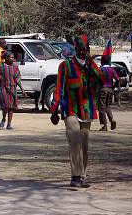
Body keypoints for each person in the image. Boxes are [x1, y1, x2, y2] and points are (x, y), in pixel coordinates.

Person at [50, 36, 104, 188]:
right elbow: (59, 88)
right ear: (75, 49)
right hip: (70, 109)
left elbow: (101, 79)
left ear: (88, 50)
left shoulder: (91, 66)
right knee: (75, 141)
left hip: (86, 110)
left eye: (85, 50)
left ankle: (82, 177)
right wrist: (54, 110)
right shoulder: (65, 65)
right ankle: (75, 177)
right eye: (79, 49)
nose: (82, 52)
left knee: (84, 145)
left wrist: (91, 63)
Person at [0, 51, 26, 130]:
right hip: (2, 88)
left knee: (11, 107)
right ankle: (4, 118)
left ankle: (9, 124)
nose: (13, 59)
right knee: (5, 106)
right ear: (6, 58)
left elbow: (17, 79)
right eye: (11, 57)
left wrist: (22, 90)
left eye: (13, 58)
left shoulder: (15, 67)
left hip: (12, 88)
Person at [98, 55, 119, 131]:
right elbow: (117, 79)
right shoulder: (112, 69)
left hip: (103, 89)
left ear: (102, 61)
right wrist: (114, 87)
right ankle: (112, 120)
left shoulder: (101, 69)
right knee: (107, 106)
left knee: (101, 108)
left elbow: (97, 79)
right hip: (110, 89)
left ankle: (104, 125)